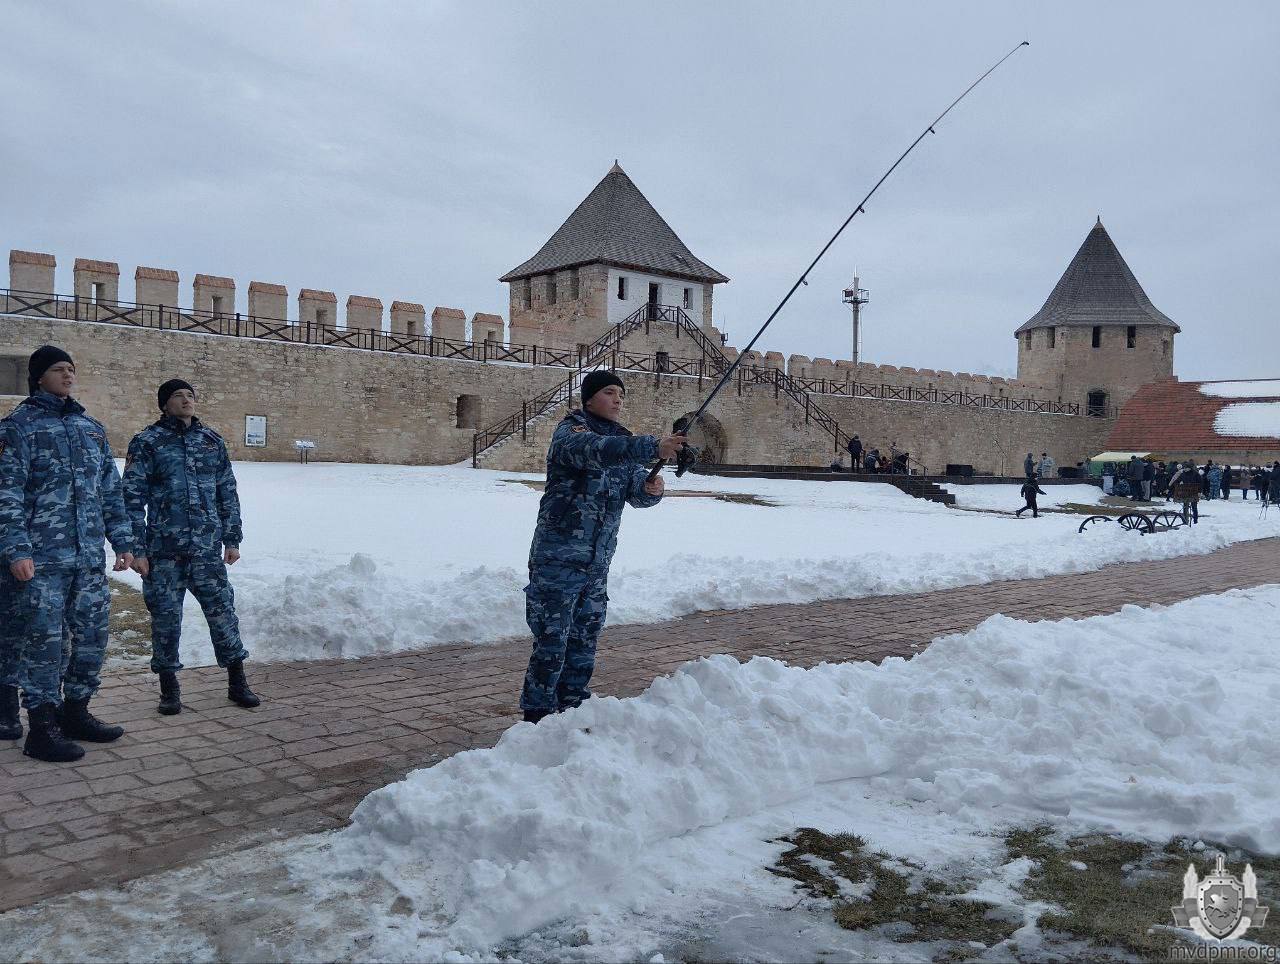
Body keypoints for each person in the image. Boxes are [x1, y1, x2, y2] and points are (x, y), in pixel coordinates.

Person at [520, 370, 683, 723]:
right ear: (590, 398)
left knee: (583, 643)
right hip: (558, 561)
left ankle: (573, 709)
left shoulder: (621, 444)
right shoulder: (572, 433)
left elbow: (635, 491)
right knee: (551, 644)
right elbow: (593, 452)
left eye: (621, 394)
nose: (618, 400)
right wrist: (650, 447)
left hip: (596, 565)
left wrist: (650, 490)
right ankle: (536, 718)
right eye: (610, 392)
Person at [0, 346, 134, 762]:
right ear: (39, 376)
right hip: (40, 562)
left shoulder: (90, 429)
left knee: (92, 638)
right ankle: (41, 727)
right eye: (59, 369)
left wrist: (124, 541)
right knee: (45, 644)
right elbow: (7, 495)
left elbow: (111, 492)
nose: (68, 375)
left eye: (72, 369)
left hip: (87, 559)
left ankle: (76, 712)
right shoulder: (18, 428)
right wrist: (16, 549)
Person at [122, 379, 259, 715]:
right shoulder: (147, 443)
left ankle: (237, 681)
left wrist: (232, 538)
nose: (186, 400)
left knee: (223, 614)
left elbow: (227, 490)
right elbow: (131, 498)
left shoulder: (211, 441)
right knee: (166, 620)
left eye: (190, 395)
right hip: (163, 553)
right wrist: (136, 549)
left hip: (206, 551)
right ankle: (169, 688)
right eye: (178, 396)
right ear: (164, 404)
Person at [1169, 460, 1201, 525]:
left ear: (1189, 468)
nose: (1184, 469)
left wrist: (1199, 491)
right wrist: (1171, 488)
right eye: (1184, 468)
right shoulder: (1183, 474)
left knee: (1194, 507)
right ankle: (1185, 520)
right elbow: (1177, 481)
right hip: (1185, 492)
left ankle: (1195, 520)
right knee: (1185, 506)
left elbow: (1200, 483)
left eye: (1185, 468)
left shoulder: (1196, 474)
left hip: (1193, 492)